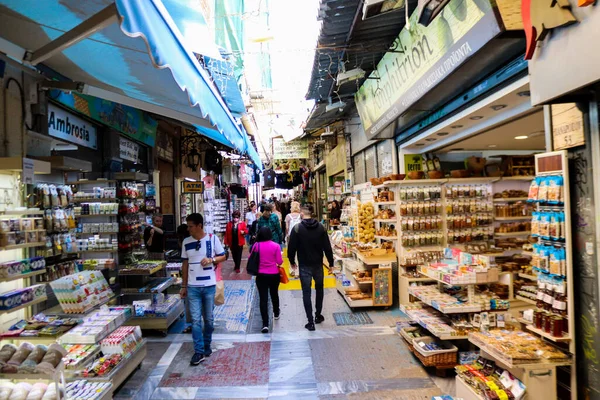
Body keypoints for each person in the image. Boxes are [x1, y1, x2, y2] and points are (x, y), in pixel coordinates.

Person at [180, 213, 227, 365]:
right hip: (193, 287)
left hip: (209, 286)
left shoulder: (213, 239)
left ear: (199, 225)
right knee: (195, 320)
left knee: (209, 319)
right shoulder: (186, 242)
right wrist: (184, 285)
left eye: (191, 226)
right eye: (188, 226)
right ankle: (198, 351)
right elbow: (185, 265)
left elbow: (223, 256)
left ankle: (207, 345)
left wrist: (211, 259)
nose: (188, 229)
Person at [288, 205, 334, 332]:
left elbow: (291, 248)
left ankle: (310, 321)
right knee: (319, 289)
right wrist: (331, 263)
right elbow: (327, 247)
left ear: (302, 214)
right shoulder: (321, 228)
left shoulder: (297, 229)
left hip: (304, 266)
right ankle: (318, 315)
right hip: (318, 265)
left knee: (306, 293)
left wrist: (292, 261)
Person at [251, 227, 282, 333]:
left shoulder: (256, 245)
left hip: (261, 275)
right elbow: (280, 261)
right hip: (274, 274)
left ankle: (265, 324)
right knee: (274, 294)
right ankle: (276, 312)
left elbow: (252, 257)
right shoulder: (276, 246)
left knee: (263, 299)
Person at [176, 224, 192, 334]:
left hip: (190, 278)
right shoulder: (188, 241)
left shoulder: (185, 242)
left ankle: (192, 324)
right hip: (193, 277)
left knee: (190, 302)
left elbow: (185, 263)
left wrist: (183, 285)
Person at [285, 201, 302, 276]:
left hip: (291, 237)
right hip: (300, 236)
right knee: (299, 254)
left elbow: (287, 228)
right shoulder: (301, 216)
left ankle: (292, 269)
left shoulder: (288, 216)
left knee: (291, 253)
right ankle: (298, 271)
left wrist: (287, 235)